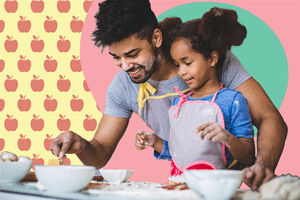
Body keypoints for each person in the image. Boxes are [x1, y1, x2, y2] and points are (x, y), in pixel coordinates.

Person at [50, 0, 287, 191]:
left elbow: (270, 119)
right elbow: (100, 153)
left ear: (156, 38)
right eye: (116, 57)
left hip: (230, 184)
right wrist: (81, 145)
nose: (125, 66)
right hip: (182, 185)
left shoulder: (202, 57)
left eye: (132, 54)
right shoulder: (122, 86)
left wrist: (262, 165)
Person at [134, 7, 255, 177]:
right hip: (178, 188)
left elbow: (248, 157)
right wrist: (154, 141)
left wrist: (227, 138)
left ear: (212, 58)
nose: (181, 72)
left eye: (187, 62)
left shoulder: (233, 100)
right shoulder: (178, 103)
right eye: (177, 65)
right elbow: (178, 154)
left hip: (214, 190)